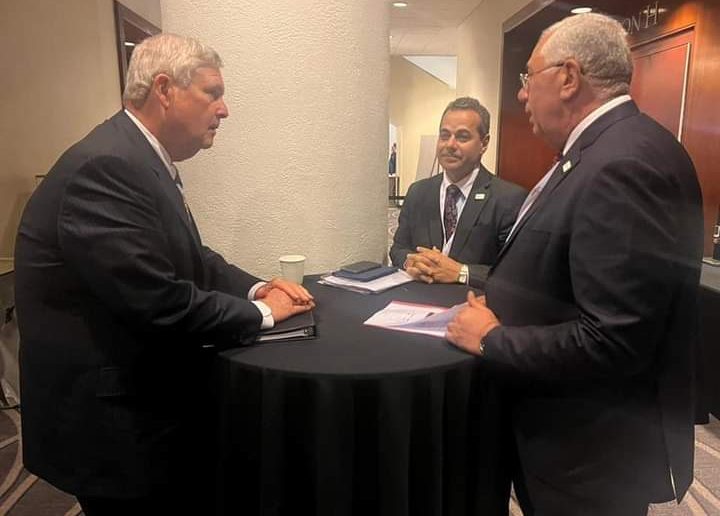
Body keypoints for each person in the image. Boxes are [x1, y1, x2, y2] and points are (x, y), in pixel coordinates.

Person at [14, 33, 314, 515]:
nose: (224, 110)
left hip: (136, 405)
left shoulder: (135, 156)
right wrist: (263, 313)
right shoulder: (107, 166)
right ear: (164, 89)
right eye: (213, 93)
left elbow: (193, 256)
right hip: (114, 425)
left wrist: (259, 286)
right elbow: (158, 300)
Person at [446, 13, 703, 515]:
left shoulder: (623, 165)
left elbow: (613, 340)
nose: (522, 94)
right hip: (572, 442)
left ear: (568, 78)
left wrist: (492, 338)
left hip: (588, 457)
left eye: (528, 76)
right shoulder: (601, 149)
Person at [389, 97, 526, 288]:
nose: (450, 145)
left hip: (472, 302)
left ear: (484, 143)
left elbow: (515, 273)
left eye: (462, 137)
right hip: (415, 299)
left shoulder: (508, 199)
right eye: (444, 135)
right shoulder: (418, 192)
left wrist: (462, 272)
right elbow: (398, 248)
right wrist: (411, 261)